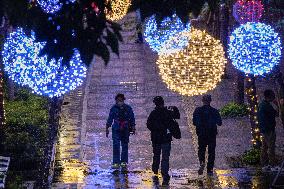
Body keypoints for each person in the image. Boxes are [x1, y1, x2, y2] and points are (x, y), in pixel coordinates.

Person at [193, 95, 222, 176]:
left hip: (201, 134)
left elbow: (194, 122)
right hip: (212, 134)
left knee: (201, 149)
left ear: (202, 101)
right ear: (210, 101)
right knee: (211, 152)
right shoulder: (214, 111)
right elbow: (219, 123)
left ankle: (202, 162)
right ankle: (210, 169)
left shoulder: (198, 110)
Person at [147, 96, 173, 186]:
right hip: (166, 138)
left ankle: (155, 169)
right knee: (165, 157)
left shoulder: (153, 113)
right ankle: (164, 172)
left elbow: (149, 125)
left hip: (156, 139)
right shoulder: (168, 112)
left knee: (156, 155)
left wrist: (156, 129)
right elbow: (172, 124)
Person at [106, 94, 136, 170]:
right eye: (118, 100)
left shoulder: (128, 108)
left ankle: (124, 162)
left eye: (121, 100)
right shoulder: (113, 108)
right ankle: (116, 162)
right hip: (116, 129)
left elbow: (132, 118)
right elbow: (110, 118)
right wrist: (107, 127)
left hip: (125, 129)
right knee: (116, 145)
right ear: (116, 100)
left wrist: (133, 127)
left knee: (125, 145)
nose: (119, 102)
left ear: (123, 100)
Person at [258, 89, 279, 168]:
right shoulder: (266, 106)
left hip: (264, 129)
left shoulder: (262, 104)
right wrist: (278, 105)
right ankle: (272, 164)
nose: (274, 96)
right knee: (271, 147)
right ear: (269, 96)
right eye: (273, 95)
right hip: (269, 129)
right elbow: (276, 114)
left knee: (264, 147)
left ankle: (264, 163)